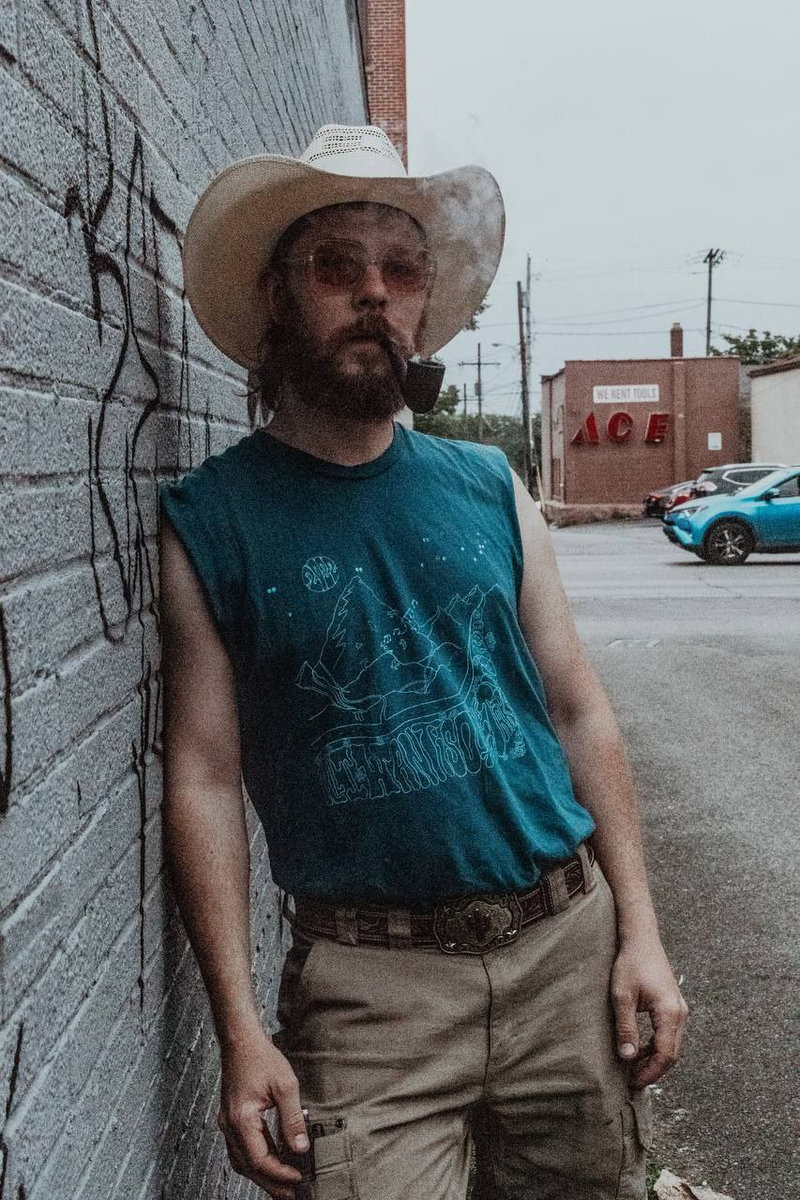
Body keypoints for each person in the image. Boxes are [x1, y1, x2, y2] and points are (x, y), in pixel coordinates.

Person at [158, 124, 688, 1200]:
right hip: (369, 995)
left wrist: (640, 931)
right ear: (276, 295)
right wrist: (240, 1031)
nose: (373, 293)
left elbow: (577, 710)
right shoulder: (210, 522)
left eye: (400, 271)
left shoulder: (489, 486)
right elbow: (204, 776)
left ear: (421, 304)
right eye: (336, 266)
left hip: (563, 950)